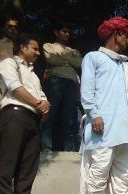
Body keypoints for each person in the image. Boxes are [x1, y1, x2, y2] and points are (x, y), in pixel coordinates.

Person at [78, 17, 128, 194]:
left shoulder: (125, 65)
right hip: (103, 126)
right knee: (98, 172)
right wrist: (94, 114)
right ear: (116, 34)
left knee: (123, 175)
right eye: (125, 35)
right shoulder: (93, 57)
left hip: (125, 129)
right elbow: (87, 91)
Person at [0, 34, 50, 194]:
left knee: (29, 161)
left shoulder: (33, 74)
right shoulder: (9, 64)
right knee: (9, 157)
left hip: (33, 118)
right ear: (23, 48)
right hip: (14, 114)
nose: (37, 52)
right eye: (34, 48)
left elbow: (42, 96)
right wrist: (38, 103)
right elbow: (15, 88)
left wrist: (45, 105)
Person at [41, 23, 83, 152]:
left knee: (68, 116)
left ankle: (67, 148)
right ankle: (47, 146)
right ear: (56, 32)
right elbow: (51, 60)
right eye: (64, 31)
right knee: (51, 113)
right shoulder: (48, 46)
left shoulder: (74, 50)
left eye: (68, 32)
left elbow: (80, 63)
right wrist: (69, 61)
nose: (67, 34)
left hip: (71, 83)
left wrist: (62, 58)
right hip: (55, 80)